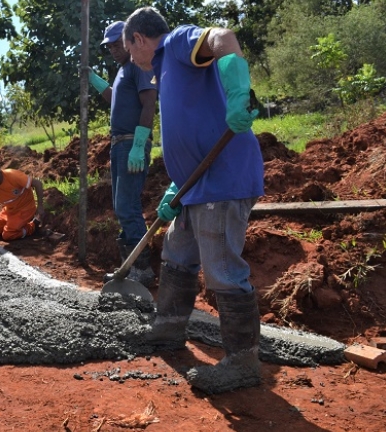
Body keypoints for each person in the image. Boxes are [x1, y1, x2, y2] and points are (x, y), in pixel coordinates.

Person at [122, 7, 263, 394]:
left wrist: (237, 94)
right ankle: (167, 328)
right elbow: (190, 127)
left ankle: (243, 360)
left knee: (221, 269)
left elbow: (225, 38)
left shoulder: (177, 42)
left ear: (138, 39)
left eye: (130, 50)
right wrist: (175, 185)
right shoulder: (165, 68)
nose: (133, 60)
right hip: (195, 186)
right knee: (176, 254)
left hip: (223, 179)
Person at [87, 21, 158, 288]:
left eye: (118, 43)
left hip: (132, 142)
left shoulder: (141, 66)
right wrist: (93, 79)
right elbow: (115, 98)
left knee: (128, 206)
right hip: (118, 144)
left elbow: (149, 101)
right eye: (110, 46)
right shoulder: (122, 71)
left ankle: (142, 269)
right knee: (121, 207)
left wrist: (140, 143)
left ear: (130, 41)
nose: (114, 49)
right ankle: (130, 267)